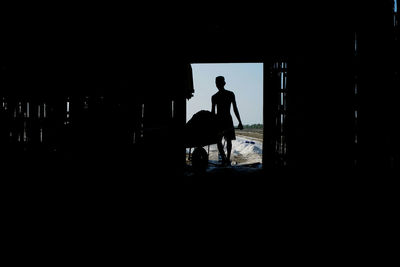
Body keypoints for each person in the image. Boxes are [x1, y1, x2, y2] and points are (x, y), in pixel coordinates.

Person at [211, 76, 243, 166]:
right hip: (227, 120)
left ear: (217, 84)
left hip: (219, 120)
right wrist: (239, 121)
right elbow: (235, 109)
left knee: (219, 140)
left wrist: (212, 124)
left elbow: (213, 113)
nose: (218, 85)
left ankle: (225, 158)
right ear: (224, 83)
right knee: (228, 140)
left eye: (218, 83)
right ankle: (227, 158)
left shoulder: (214, 97)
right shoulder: (230, 94)